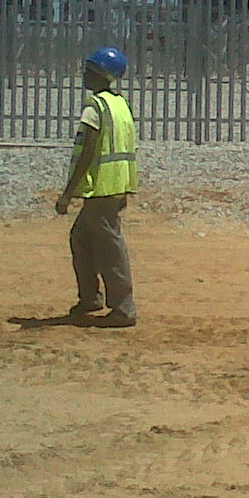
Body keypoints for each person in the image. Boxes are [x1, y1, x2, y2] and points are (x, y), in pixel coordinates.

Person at [56, 46, 139, 327]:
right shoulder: (119, 104)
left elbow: (89, 150)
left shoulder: (96, 106)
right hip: (115, 186)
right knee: (82, 238)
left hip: (101, 189)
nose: (84, 75)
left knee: (109, 248)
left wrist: (68, 193)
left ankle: (123, 309)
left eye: (90, 71)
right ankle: (90, 298)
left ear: (103, 75)